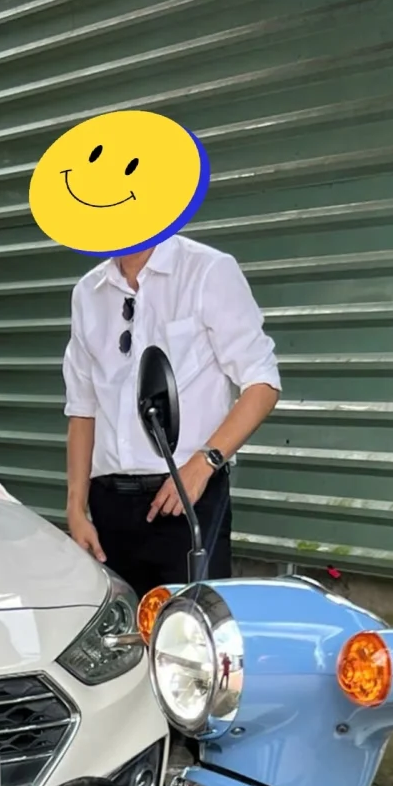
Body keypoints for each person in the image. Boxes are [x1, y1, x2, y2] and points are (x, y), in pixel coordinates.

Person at [60, 234, 280, 595]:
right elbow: (82, 410)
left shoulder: (207, 270)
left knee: (189, 636)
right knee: (115, 639)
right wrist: (75, 509)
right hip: (108, 505)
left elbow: (262, 384)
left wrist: (204, 463)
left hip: (186, 496)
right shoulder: (88, 292)